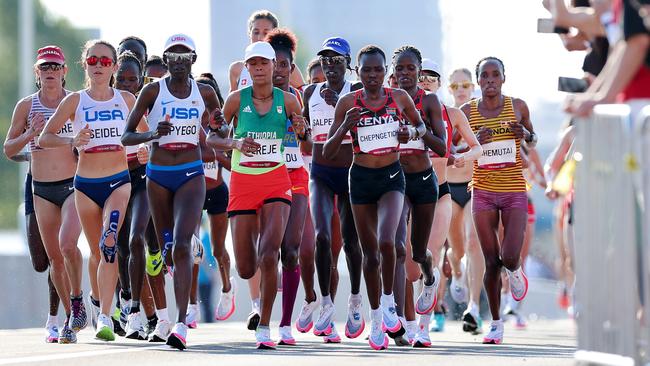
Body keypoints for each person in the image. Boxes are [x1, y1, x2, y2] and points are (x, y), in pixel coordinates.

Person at [122, 34, 221, 350]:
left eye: (184, 56)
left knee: (180, 246)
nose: (179, 62)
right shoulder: (152, 90)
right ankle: (175, 256)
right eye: (173, 56)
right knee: (165, 251)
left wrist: (222, 126)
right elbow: (126, 136)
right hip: (159, 177)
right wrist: (152, 133)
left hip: (191, 174)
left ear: (193, 59)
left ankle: (180, 324)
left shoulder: (204, 92)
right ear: (165, 60)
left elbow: (219, 132)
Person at [325, 45, 426, 350]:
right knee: (370, 255)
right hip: (361, 179)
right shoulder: (347, 103)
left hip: (392, 177)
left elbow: (421, 125)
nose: (372, 75)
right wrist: (345, 125)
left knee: (388, 242)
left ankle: (388, 302)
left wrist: (411, 131)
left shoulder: (399, 98)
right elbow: (328, 151)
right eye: (366, 70)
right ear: (358, 72)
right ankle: (377, 319)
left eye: (378, 70)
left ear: (386, 72)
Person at [207, 41, 304, 350]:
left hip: (276, 180)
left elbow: (302, 135)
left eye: (265, 62)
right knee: (247, 267)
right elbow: (213, 138)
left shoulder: (288, 101)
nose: (260, 67)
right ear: (246, 68)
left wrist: (301, 128)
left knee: (270, 253)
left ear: (274, 66)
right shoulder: (236, 100)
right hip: (243, 184)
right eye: (254, 63)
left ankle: (265, 324)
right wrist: (236, 143)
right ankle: (254, 294)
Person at [40, 40, 136, 342]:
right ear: (85, 65)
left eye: (105, 61)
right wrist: (72, 141)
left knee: (109, 243)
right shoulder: (76, 102)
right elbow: (46, 137)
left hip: (119, 180)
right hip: (85, 185)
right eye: (93, 60)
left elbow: (140, 135)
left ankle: (105, 316)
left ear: (115, 66)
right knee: (97, 251)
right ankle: (95, 301)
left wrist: (144, 149)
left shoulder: (125, 99)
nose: (98, 65)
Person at [4, 45, 81, 343]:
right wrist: (30, 135)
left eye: (55, 67)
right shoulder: (27, 106)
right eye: (44, 68)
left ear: (64, 71)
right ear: (37, 72)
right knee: (46, 261)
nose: (50, 73)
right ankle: (71, 310)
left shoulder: (75, 102)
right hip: (40, 185)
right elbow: (8, 149)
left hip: (74, 184)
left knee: (67, 246)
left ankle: (71, 313)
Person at [461, 56, 536, 344]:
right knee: (491, 260)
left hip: (514, 189)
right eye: (485, 76)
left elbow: (534, 138)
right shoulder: (467, 112)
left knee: (510, 256)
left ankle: (516, 272)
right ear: (478, 81)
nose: (490, 80)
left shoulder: (518, 106)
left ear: (503, 78)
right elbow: (457, 147)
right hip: (482, 191)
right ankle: (495, 323)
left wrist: (526, 134)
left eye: (495, 75)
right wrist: (475, 139)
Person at [301, 37, 365, 341]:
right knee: (321, 237)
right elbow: (303, 131)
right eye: (326, 60)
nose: (330, 66)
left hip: (352, 173)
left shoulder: (357, 92)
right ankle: (325, 303)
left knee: (352, 242)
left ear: (348, 64)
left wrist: (337, 108)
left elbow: (368, 131)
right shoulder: (310, 92)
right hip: (321, 173)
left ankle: (354, 299)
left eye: (337, 60)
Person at [390, 45, 449, 347]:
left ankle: (430, 278)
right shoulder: (386, 99)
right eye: (399, 68)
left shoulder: (430, 101)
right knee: (397, 249)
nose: (405, 73)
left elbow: (441, 147)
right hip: (394, 181)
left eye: (410, 68)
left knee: (417, 253)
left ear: (419, 70)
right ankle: (405, 323)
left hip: (424, 180)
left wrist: (417, 131)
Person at [112, 50, 159, 341]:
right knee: (120, 246)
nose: (127, 85)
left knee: (136, 239)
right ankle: (128, 304)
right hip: (114, 178)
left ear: (140, 81)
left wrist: (147, 148)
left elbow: (160, 136)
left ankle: (136, 311)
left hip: (142, 178)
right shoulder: (103, 101)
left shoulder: (147, 103)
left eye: (132, 80)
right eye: (122, 80)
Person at [445, 67, 487, 335]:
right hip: (449, 186)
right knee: (456, 251)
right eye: (455, 86)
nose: (460, 90)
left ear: (473, 88)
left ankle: (473, 307)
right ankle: (456, 271)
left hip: (474, 185)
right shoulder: (444, 114)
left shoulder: (484, 115)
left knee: (474, 243)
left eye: (465, 85)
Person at [228, 10, 305, 93]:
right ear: (249, 34)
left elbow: (305, 94)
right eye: (256, 32)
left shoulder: (284, 66)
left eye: (266, 33)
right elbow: (231, 103)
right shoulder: (236, 69)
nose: (260, 38)